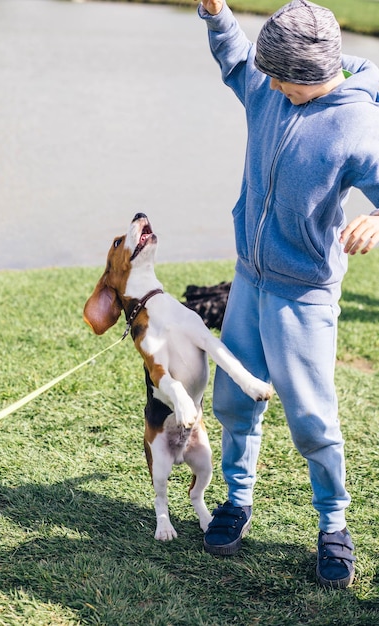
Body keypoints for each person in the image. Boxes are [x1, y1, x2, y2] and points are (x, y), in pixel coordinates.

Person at [197, 0, 379, 589]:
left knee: (310, 418)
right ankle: (236, 500)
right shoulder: (272, 89)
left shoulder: (356, 124)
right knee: (232, 399)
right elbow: (237, 60)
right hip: (249, 279)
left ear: (313, 75)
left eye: (282, 78)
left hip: (305, 294)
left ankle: (333, 526)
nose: (269, 85)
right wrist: (217, 13)